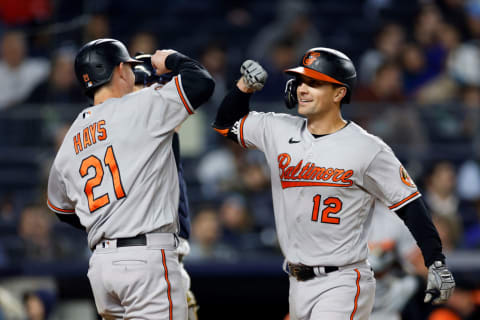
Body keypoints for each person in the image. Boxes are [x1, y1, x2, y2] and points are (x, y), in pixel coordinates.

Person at [212, 48, 455, 320]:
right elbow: (225, 124)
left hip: (342, 280)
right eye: (301, 82)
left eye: (314, 83)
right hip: (296, 280)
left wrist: (435, 261)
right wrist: (244, 88)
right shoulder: (278, 129)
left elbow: (410, 203)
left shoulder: (367, 148)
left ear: (339, 93)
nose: (303, 89)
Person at [46, 38, 214, 319]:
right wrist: (171, 58)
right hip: (146, 260)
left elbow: (60, 208)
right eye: (129, 67)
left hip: (101, 266)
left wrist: (108, 220)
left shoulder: (71, 138)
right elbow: (201, 82)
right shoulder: (140, 106)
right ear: (120, 70)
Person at [132, 52, 198, 320]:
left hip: (140, 255)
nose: (154, 92)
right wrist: (173, 61)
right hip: (154, 257)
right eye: (146, 87)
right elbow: (199, 83)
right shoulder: (145, 123)